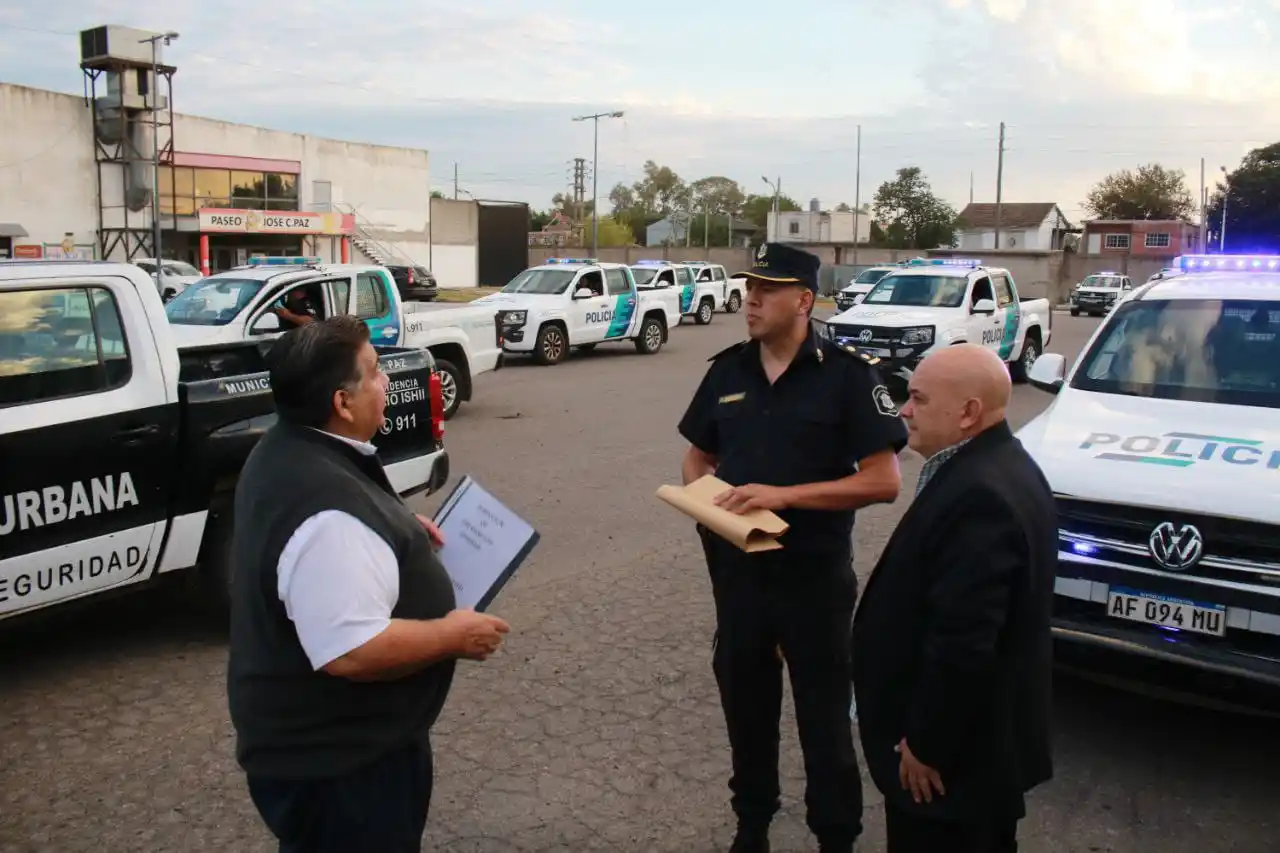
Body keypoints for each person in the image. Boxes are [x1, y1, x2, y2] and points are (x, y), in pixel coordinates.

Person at [226, 315, 511, 853]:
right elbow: (352, 652)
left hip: (326, 752)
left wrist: (400, 528)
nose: (386, 383)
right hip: (344, 768)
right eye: (375, 372)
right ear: (341, 402)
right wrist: (453, 636)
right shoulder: (327, 514)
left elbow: (342, 526)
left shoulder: (290, 446)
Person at [677, 242, 908, 853]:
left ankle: (837, 836)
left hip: (813, 580)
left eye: (768, 289)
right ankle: (750, 827)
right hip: (740, 574)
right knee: (747, 712)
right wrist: (703, 501)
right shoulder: (727, 369)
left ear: (804, 300)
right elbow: (699, 453)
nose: (750, 298)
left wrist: (785, 497)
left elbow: (883, 480)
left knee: (824, 722)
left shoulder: (848, 376)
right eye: (749, 286)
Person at [850, 343, 1056, 853]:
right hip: (968, 760)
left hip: (951, 771)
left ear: (968, 413)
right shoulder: (1001, 466)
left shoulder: (982, 496)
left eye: (918, 398)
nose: (903, 410)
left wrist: (926, 744)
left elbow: (963, 642)